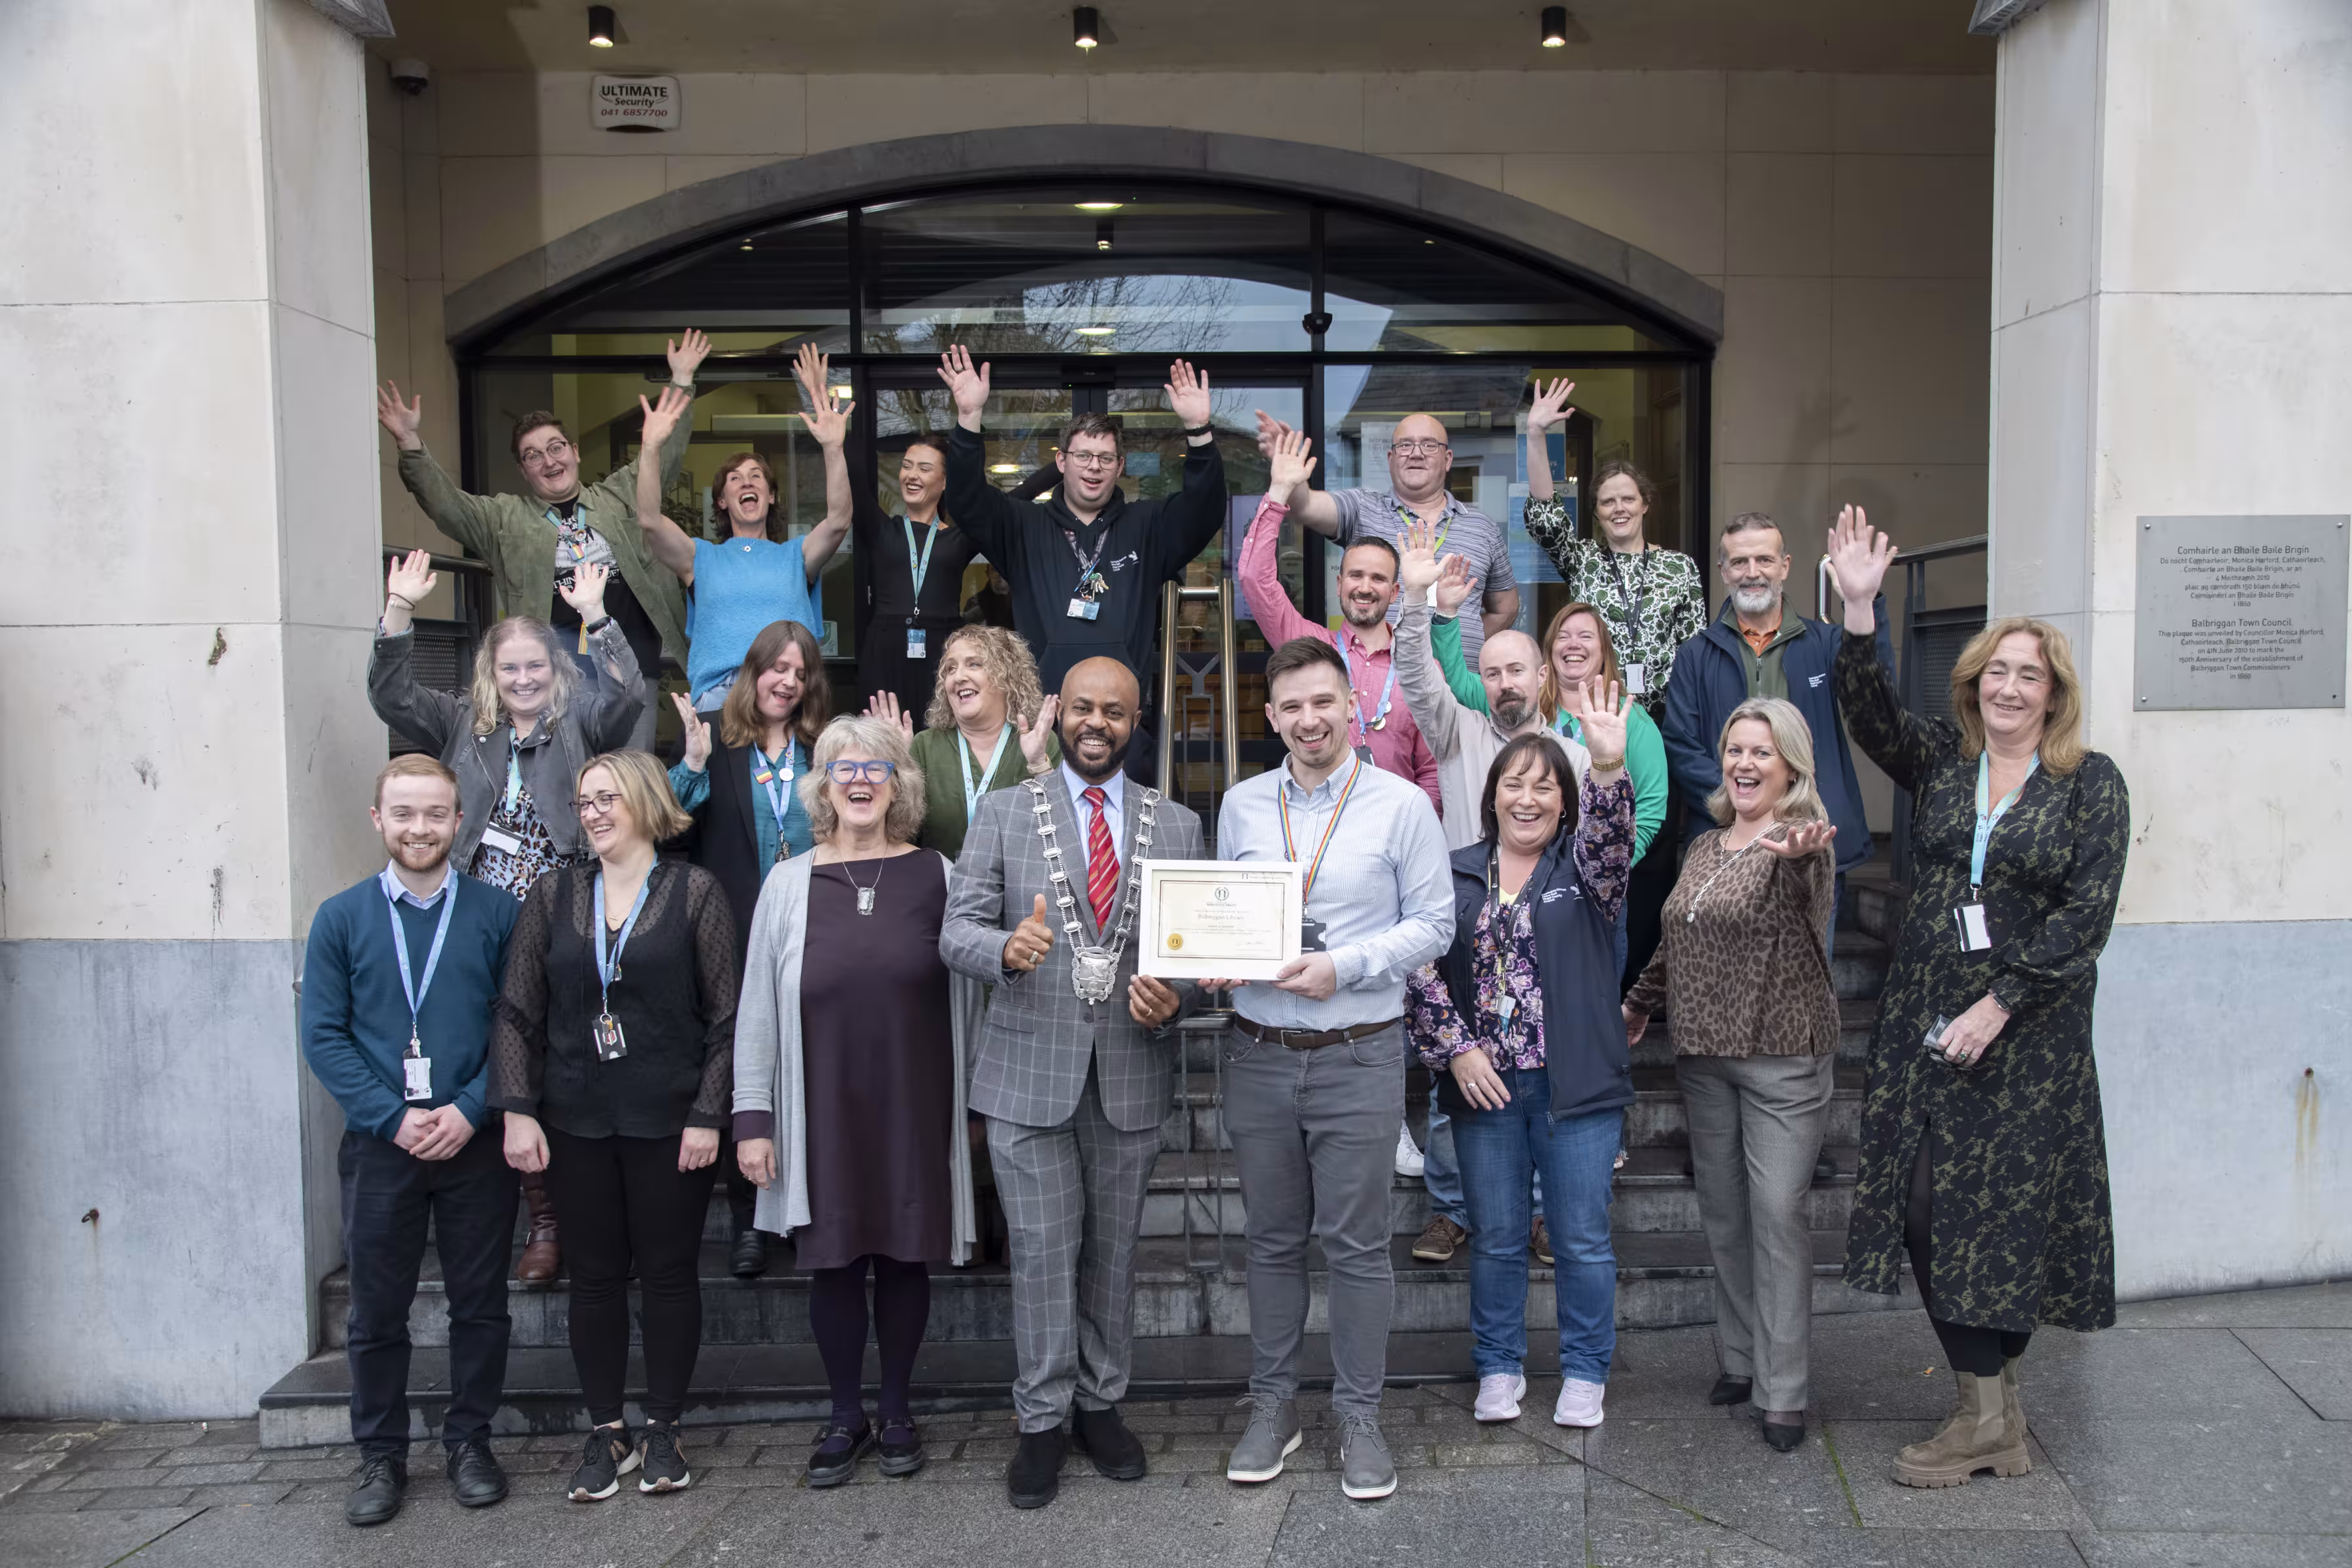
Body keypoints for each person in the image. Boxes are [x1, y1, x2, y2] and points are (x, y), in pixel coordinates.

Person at [1825, 508, 2130, 1490]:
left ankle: (1987, 1416)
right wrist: (1862, 614)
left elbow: (2085, 917)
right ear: (1973, 685)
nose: (2007, 686)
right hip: (1927, 1018)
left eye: (2027, 674)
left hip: (2028, 1034)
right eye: (1994, 671)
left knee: (2005, 1218)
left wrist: (1999, 1004)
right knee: (1924, 1205)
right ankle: (1988, 1406)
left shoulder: (2092, 785)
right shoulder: (1948, 770)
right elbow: (1867, 715)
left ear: (2054, 694)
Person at [939, 657, 1209, 1511]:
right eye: (1084, 708)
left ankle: (1102, 1406)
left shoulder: (1179, 826)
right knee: (1045, 1257)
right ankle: (1040, 1423)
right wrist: (1002, 952)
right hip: (1026, 1075)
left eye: (1115, 712)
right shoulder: (1003, 813)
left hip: (1129, 1071)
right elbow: (955, 929)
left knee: (1112, 1257)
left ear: (1138, 720)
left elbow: (1198, 955)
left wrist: (1181, 992)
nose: (1097, 723)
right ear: (1060, 716)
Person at [1213, 638, 1454, 1503]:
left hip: (1359, 1055)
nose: (1309, 720)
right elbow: (1229, 914)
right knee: (1272, 1244)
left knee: (1356, 1249)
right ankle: (1273, 1408)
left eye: (1323, 702)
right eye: (1291, 707)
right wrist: (1213, 953)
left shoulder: (1401, 807)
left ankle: (1360, 1417)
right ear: (1270, 716)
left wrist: (1343, 966)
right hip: (1260, 1054)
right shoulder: (1240, 807)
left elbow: (1435, 923)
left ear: (1350, 704)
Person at [370, 549, 642, 1284]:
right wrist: (399, 611)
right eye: (511, 668)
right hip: (482, 915)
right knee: (504, 1052)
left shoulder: (581, 720)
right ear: (492, 674)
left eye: (537, 668)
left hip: (563, 913)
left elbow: (627, 700)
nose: (524, 679)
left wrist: (598, 619)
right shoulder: (463, 723)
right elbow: (393, 697)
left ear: (555, 673)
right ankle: (542, 1220)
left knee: (566, 1055)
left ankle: (586, 1213)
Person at [730, 715, 980, 1486]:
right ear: (825, 787)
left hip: (916, 1104)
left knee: (907, 1259)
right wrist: (753, 1119)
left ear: (901, 783)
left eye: (878, 767)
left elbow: (972, 1000)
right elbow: (757, 1013)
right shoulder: (788, 882)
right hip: (821, 1110)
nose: (862, 779)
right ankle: (845, 1415)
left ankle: (898, 1410)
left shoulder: (940, 873)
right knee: (833, 1263)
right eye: (845, 768)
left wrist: (975, 1110)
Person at [490, 751, 740, 1502]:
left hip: (671, 1122)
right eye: (584, 800)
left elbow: (729, 1019)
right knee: (593, 1280)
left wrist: (709, 1114)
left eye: (608, 798)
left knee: (668, 1277)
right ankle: (608, 1434)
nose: (593, 811)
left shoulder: (696, 893)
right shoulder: (552, 894)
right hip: (575, 1120)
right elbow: (515, 1011)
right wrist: (517, 1112)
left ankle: (663, 1428)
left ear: (644, 802)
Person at [1405, 691, 1635, 1431]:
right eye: (1514, 783)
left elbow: (1610, 836)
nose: (1528, 797)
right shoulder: (1455, 869)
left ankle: (1584, 1373)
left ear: (1566, 805)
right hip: (1485, 1091)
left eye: (1545, 786)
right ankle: (1500, 1367)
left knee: (1580, 1241)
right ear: (1491, 796)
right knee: (1499, 1239)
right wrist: (1457, 1050)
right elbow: (1420, 966)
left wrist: (1605, 761)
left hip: (1576, 1090)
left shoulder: (1591, 873)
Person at [301, 756, 522, 1527]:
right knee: (375, 1312)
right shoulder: (341, 917)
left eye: (435, 814)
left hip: (475, 1140)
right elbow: (323, 1037)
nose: (419, 828)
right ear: (378, 820)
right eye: (404, 814)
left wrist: (470, 1107)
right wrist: (392, 1117)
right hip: (380, 1144)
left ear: (459, 822)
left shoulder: (499, 913)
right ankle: (381, 1455)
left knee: (480, 1304)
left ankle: (470, 1443)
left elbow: (518, 1026)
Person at [1622, 697, 1842, 1453]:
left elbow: (1808, 899)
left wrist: (1803, 856)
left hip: (1784, 1055)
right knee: (1725, 1214)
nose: (1745, 765)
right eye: (1735, 750)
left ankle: (1784, 1394)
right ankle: (1741, 1360)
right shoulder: (1706, 847)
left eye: (1762, 753)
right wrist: (1638, 1003)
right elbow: (1673, 937)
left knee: (1778, 1214)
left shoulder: (1804, 846)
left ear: (1791, 767)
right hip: (1704, 1056)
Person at [1392, 523, 1587, 1268]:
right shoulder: (1458, 730)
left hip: (1546, 943)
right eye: (1494, 671)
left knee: (1541, 1086)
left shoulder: (1572, 753)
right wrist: (1419, 599)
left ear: (1542, 679)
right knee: (1452, 1079)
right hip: (1462, 934)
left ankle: (1538, 1214)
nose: (1505, 683)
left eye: (1518, 671)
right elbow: (1415, 671)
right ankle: (1450, 1212)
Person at [376, 329, 711, 750]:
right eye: (534, 455)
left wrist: (681, 380)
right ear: (522, 469)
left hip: (629, 669)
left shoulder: (619, 496)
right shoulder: (505, 518)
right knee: (565, 784)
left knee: (628, 785)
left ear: (573, 451)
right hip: (554, 677)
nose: (549, 460)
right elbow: (448, 506)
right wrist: (410, 443)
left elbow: (660, 455)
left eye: (556, 448)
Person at [663, 617, 829, 1277]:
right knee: (741, 1069)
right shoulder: (719, 748)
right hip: (728, 933)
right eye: (775, 667)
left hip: (813, 930)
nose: (786, 681)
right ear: (752, 672)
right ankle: (748, 1224)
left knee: (806, 1067)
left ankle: (801, 1211)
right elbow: (669, 836)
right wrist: (692, 766)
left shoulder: (823, 753)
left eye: (798, 671)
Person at [1659, 510, 1890, 958]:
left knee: (1805, 978)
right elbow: (1679, 745)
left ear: (1785, 566)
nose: (1752, 572)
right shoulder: (1695, 654)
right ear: (1723, 571)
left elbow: (1876, 694)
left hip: (1809, 838)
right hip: (1724, 841)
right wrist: (1739, 801)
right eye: (1740, 562)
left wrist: (1866, 604)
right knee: (1722, 980)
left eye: (1764, 560)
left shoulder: (1825, 644)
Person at [936, 346, 1228, 698]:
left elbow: (1205, 509)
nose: (1094, 466)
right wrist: (969, 418)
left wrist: (1198, 431)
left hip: (1122, 715)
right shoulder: (1022, 525)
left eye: (1106, 458)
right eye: (1084, 456)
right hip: (1045, 713)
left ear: (1120, 467)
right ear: (1061, 462)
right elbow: (966, 499)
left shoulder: (1148, 526)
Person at [1429, 599, 1671, 974]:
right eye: (1563, 635)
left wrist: (1604, 871)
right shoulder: (1520, 705)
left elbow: (1651, 809)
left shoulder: (1627, 718)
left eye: (1585, 635)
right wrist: (1444, 615)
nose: (1573, 644)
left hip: (1586, 891)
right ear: (1546, 660)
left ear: (1603, 647)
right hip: (1505, 888)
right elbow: (1459, 681)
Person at [630, 342, 853, 714]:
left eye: (756, 477)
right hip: (720, 697)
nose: (747, 483)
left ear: (771, 497)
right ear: (721, 500)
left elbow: (839, 520)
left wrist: (833, 447)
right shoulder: (700, 557)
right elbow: (650, 519)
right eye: (735, 479)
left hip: (789, 694)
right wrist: (651, 448)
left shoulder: (795, 556)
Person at [1255, 410, 1520, 665]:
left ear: (1447, 459)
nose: (1416, 453)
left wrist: (1464, 645)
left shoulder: (1482, 527)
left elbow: (1505, 608)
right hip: (1381, 691)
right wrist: (1292, 481)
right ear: (1391, 458)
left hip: (1460, 694)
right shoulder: (1362, 508)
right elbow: (1307, 505)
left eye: (1429, 445)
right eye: (1405, 445)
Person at [1518, 380, 1708, 717]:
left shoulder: (1680, 567)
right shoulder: (1582, 560)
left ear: (1645, 504)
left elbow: (1695, 651)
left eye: (1628, 499)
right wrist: (1535, 434)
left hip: (1667, 717)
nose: (1619, 508)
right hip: (1593, 708)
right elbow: (1546, 518)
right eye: (1608, 502)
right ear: (1596, 512)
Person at [867, 625, 1058, 860]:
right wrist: (893, 763)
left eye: (974, 664)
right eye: (950, 669)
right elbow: (895, 834)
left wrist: (1039, 763)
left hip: (1020, 890)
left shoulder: (1040, 740)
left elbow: (1062, 829)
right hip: (941, 888)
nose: (958, 677)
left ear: (1007, 676)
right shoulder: (925, 746)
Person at [856, 425, 986, 715]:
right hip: (885, 651)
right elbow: (853, 482)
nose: (911, 475)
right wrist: (834, 442)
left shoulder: (959, 538)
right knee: (882, 743)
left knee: (942, 738)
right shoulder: (882, 530)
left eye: (924, 468)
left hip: (944, 652)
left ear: (944, 482)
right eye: (906, 467)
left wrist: (1062, 468)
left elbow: (1016, 499)